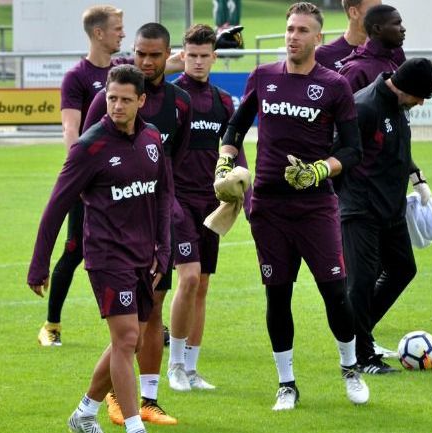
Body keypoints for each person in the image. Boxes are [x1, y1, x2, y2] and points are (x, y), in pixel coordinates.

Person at [214, 2, 368, 411]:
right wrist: (225, 163)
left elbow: (353, 150)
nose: (292, 36)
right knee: (277, 296)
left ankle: (350, 368)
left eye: (302, 30)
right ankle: (286, 383)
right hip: (267, 208)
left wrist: (320, 170)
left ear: (318, 38)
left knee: (335, 292)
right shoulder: (263, 77)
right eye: (289, 28)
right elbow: (235, 128)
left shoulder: (334, 85)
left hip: (316, 207)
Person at [29, 63, 171, 433]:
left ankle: (84, 413)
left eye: (126, 99)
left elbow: (162, 194)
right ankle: (133, 426)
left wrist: (164, 247)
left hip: (144, 255)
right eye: (111, 99)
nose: (117, 106)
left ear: (142, 100)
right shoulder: (90, 146)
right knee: (125, 339)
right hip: (107, 256)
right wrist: (39, 264)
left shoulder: (153, 139)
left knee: (133, 341)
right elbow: (56, 205)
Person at [83, 22, 187, 426]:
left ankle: (97, 408)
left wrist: (161, 230)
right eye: (139, 52)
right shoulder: (109, 101)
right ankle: (131, 413)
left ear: (166, 55)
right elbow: (83, 159)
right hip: (109, 234)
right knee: (126, 335)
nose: (145, 60)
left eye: (154, 54)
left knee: (141, 325)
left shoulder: (177, 104)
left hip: (152, 229)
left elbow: (167, 172)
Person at [338, 58, 432, 375]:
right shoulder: (365, 107)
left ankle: (357, 332)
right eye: (421, 96)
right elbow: (340, 153)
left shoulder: (399, 108)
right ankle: (362, 358)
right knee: (362, 281)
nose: (421, 103)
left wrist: (416, 177)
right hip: (361, 210)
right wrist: (346, 200)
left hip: (392, 210)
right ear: (408, 87)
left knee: (403, 269)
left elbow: (399, 149)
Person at [37, 5, 127, 347]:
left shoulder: (124, 69)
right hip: (89, 182)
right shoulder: (76, 77)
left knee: (134, 247)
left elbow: (166, 62)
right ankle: (51, 325)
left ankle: (147, 321)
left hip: (123, 181)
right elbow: (70, 128)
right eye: (117, 28)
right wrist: (78, 177)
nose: (122, 33)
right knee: (74, 250)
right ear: (99, 33)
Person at [170, 23, 251, 391]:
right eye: (192, 56)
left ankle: (190, 368)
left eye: (205, 56)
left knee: (201, 286)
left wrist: (246, 194)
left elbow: (234, 149)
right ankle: (172, 365)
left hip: (211, 203)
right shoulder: (170, 97)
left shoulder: (223, 101)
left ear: (214, 57)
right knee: (187, 279)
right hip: (176, 201)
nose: (198, 62)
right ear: (182, 55)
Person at [315, 0, 405, 72]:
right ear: (354, 12)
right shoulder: (323, 55)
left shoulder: (393, 51)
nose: (381, 16)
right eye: (374, 10)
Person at [338, 4, 405, 93]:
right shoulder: (356, 70)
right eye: (396, 23)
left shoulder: (393, 62)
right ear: (377, 28)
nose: (403, 29)